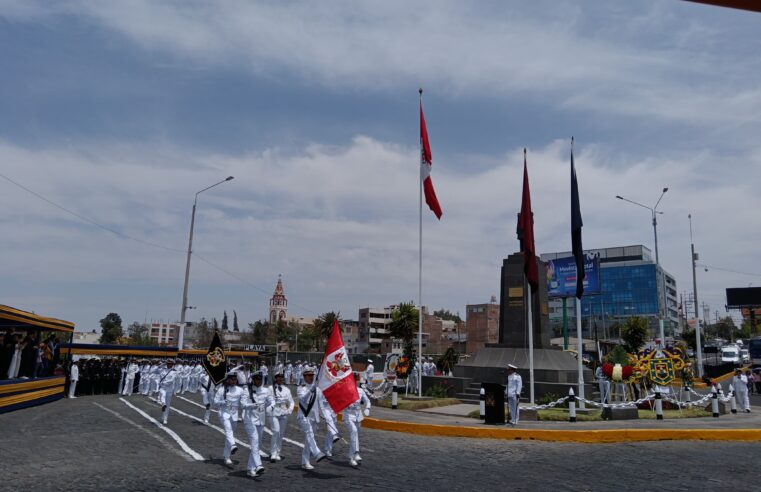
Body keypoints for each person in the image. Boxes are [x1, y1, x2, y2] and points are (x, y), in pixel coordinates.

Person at [241, 371, 274, 477]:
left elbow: (271, 401)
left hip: (261, 420)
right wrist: (251, 405)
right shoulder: (247, 390)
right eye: (256, 379)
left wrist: (271, 406)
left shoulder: (266, 390)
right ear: (253, 380)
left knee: (257, 444)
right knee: (255, 441)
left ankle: (250, 469)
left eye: (260, 379)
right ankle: (258, 465)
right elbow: (242, 404)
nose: (258, 381)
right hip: (249, 420)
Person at [296, 368, 326, 470]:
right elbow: (303, 399)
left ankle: (305, 462)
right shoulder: (301, 387)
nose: (311, 377)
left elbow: (320, 405)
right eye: (308, 375)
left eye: (312, 375)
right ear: (304, 377)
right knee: (309, 434)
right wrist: (310, 391)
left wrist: (325, 417)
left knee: (309, 440)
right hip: (304, 416)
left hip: (314, 418)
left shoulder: (317, 390)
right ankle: (317, 452)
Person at [214, 372, 243, 466]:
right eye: (232, 379)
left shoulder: (239, 390)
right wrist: (222, 402)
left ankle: (226, 456)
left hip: (234, 415)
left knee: (229, 435)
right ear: (228, 380)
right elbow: (215, 402)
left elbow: (244, 401)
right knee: (228, 430)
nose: (234, 381)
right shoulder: (221, 389)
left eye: (235, 379)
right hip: (224, 413)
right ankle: (233, 445)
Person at [343, 372, 371, 467]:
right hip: (348, 415)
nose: (354, 380)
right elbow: (341, 401)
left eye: (356, 379)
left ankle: (351, 457)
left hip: (358, 415)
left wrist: (367, 408)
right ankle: (356, 453)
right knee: (354, 433)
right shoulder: (345, 390)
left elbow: (368, 401)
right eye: (353, 379)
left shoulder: (360, 390)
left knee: (354, 436)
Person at [269, 372, 294, 462]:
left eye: (281, 377)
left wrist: (289, 410)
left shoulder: (287, 390)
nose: (280, 379)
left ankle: (278, 452)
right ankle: (273, 453)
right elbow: (268, 399)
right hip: (274, 411)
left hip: (283, 412)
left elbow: (291, 402)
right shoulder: (270, 388)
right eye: (278, 377)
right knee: (276, 431)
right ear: (275, 378)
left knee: (281, 434)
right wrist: (273, 401)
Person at [158, 360, 177, 425]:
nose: (169, 365)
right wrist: (163, 363)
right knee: (162, 395)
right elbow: (156, 369)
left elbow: (171, 380)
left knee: (168, 405)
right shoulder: (163, 369)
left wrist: (163, 383)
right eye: (168, 363)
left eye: (170, 364)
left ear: (172, 364)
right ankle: (163, 404)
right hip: (162, 387)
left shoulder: (174, 372)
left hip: (169, 389)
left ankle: (164, 418)